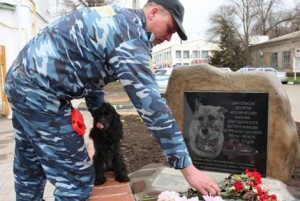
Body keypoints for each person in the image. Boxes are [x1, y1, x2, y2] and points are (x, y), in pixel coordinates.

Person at [4, 0, 220, 200]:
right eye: (170, 29)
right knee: (76, 180)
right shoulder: (130, 37)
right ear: (154, 12)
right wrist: (188, 169)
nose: (169, 37)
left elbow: (90, 72)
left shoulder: (116, 17)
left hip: (18, 81)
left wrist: (99, 113)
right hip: (41, 94)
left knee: (29, 167)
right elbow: (153, 108)